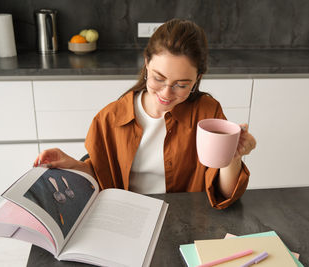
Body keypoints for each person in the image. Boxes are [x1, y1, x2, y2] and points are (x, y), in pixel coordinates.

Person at [34, 18, 256, 209]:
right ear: (147, 63)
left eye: (181, 84)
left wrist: (233, 157)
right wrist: (71, 165)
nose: (167, 93)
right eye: (159, 78)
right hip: (126, 219)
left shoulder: (207, 113)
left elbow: (225, 194)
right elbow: (101, 176)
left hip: (184, 221)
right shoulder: (110, 118)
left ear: (197, 78)